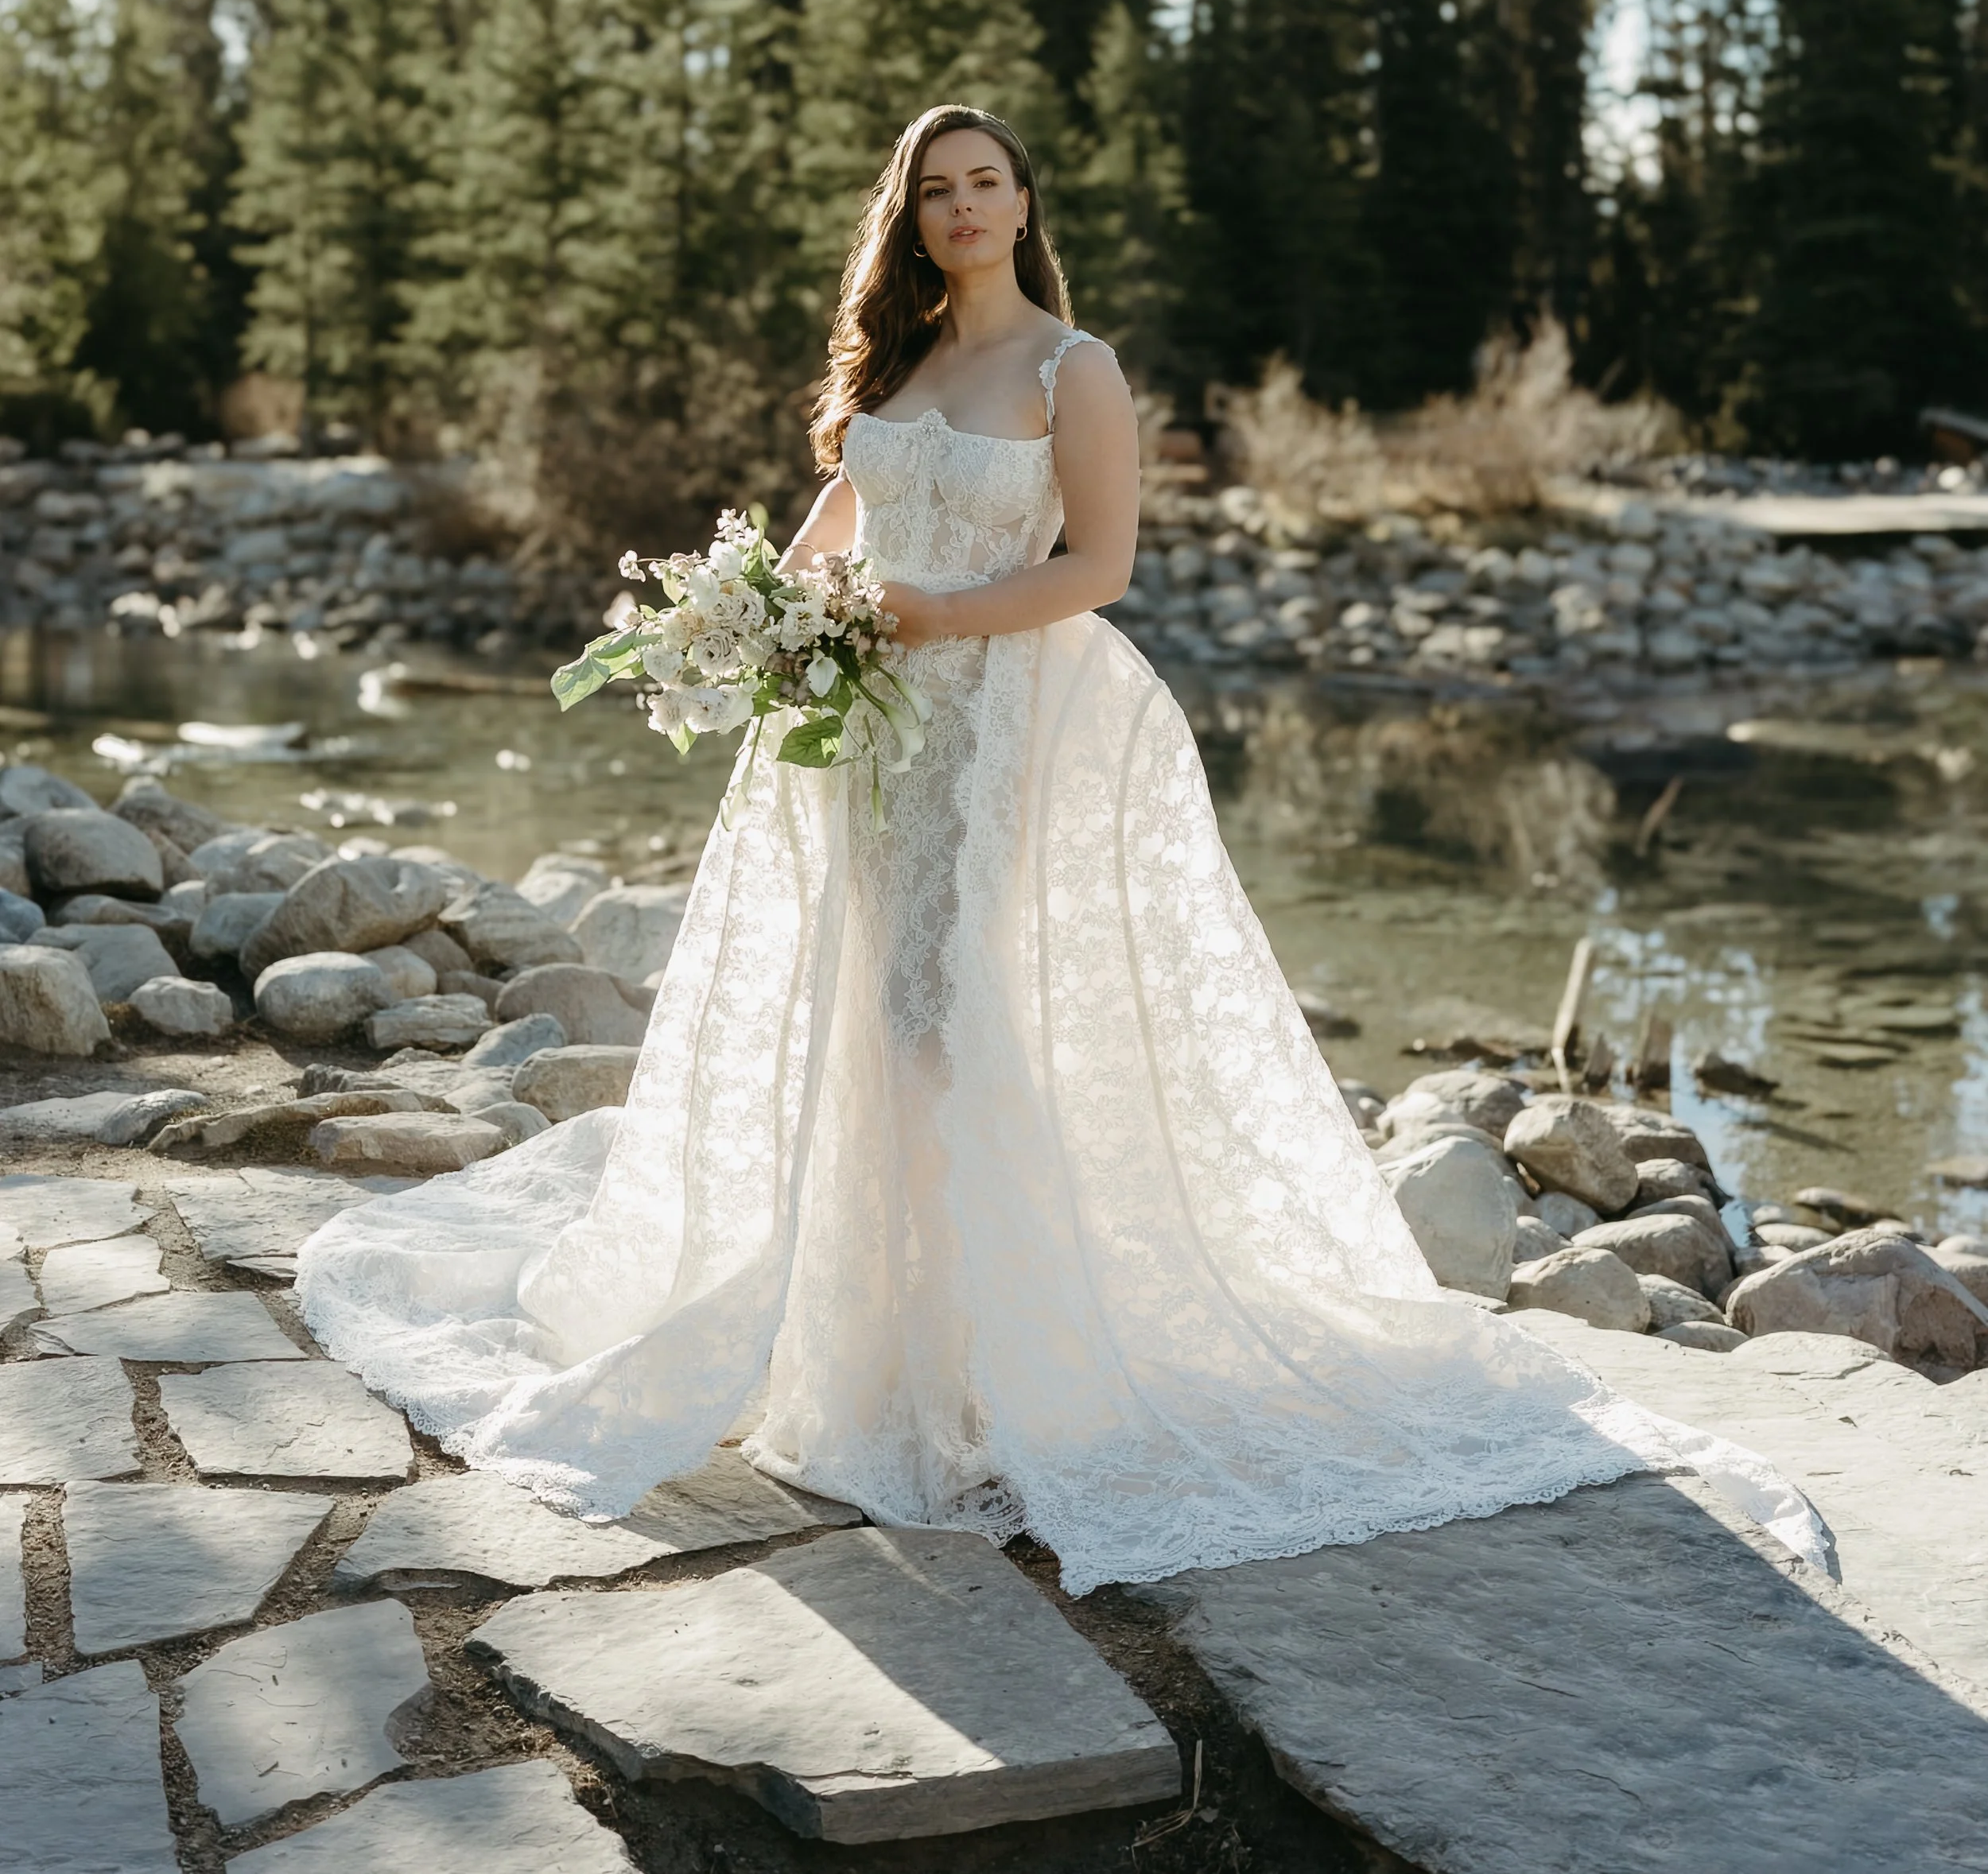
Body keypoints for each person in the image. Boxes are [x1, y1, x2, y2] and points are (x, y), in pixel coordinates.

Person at [297, 103, 1819, 1593]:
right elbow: (843, 515)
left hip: (989, 717)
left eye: (985, 182)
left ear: (1024, 204)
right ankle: (868, 1345)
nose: (962, 206)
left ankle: (970, 1374)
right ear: (912, 218)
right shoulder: (905, 357)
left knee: (935, 1019)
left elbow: (1104, 562)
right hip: (855, 726)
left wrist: (935, 616)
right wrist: (743, 611)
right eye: (936, 189)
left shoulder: (1071, 367)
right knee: (866, 1017)